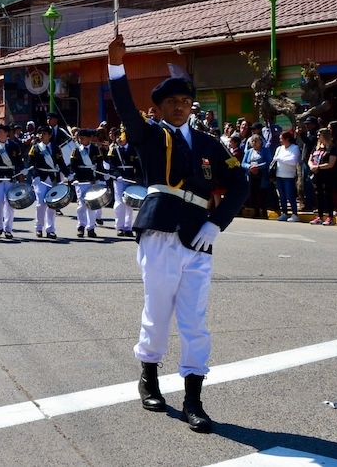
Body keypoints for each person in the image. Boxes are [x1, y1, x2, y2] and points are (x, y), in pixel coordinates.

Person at [107, 34, 248, 433]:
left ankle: (194, 399)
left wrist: (216, 223)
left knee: (195, 321)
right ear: (159, 107)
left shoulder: (209, 143)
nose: (180, 107)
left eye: (185, 102)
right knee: (157, 312)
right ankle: (148, 378)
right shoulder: (150, 134)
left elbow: (240, 185)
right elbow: (123, 108)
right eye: (172, 102)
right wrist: (116, 66)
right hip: (161, 232)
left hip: (199, 236)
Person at [0, 123, 25, 239]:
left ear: (7, 133)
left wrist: (23, 170)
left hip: (11, 177)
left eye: (0, 131)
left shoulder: (14, 146)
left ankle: (8, 229)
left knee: (10, 203)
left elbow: (18, 161)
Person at [28, 125, 68, 239]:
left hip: (53, 177)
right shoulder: (35, 148)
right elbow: (30, 164)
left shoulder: (56, 148)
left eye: (44, 133)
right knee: (40, 204)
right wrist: (35, 176)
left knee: (52, 204)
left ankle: (50, 229)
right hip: (40, 178)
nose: (41, 135)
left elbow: (61, 163)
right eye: (40, 133)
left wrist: (68, 174)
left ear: (49, 136)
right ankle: (39, 228)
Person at [69, 128, 106, 238]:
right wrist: (74, 177)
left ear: (89, 138)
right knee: (81, 205)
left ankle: (91, 228)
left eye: (83, 138)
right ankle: (81, 226)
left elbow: (99, 165)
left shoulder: (95, 150)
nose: (80, 140)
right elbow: (73, 166)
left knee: (92, 205)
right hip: (81, 181)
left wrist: (102, 176)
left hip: (92, 180)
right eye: (79, 138)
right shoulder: (76, 150)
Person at [106, 128, 142, 236]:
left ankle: (128, 227)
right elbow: (111, 165)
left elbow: (137, 164)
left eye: (121, 137)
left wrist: (138, 177)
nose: (119, 140)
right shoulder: (113, 149)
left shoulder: (132, 149)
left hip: (130, 178)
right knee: (119, 203)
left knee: (129, 204)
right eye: (117, 138)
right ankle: (119, 226)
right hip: (119, 179)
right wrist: (117, 175)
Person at [308, 127, 337, 226]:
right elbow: (310, 159)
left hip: (328, 175)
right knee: (319, 196)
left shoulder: (332, 148)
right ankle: (320, 216)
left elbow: (330, 164)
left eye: (319, 135)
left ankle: (330, 217)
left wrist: (318, 167)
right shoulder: (316, 147)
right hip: (317, 175)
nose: (317, 137)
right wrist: (312, 166)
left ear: (324, 135)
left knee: (328, 195)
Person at [241, 134, 272, 219]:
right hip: (251, 175)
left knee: (261, 193)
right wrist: (250, 167)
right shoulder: (248, 151)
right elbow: (243, 163)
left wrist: (258, 166)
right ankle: (255, 211)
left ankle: (263, 211)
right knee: (252, 193)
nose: (254, 143)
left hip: (262, 175)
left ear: (260, 142)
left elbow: (268, 162)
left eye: (256, 141)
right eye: (252, 141)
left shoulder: (265, 151)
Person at [273, 131, 300, 222]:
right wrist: (283, 159)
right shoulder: (279, 149)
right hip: (279, 175)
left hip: (289, 176)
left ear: (287, 139)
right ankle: (284, 212)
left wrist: (280, 159)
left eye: (282, 138)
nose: (280, 140)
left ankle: (294, 213)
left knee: (290, 195)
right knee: (282, 196)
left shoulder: (295, 148)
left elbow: (293, 161)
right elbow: (274, 159)